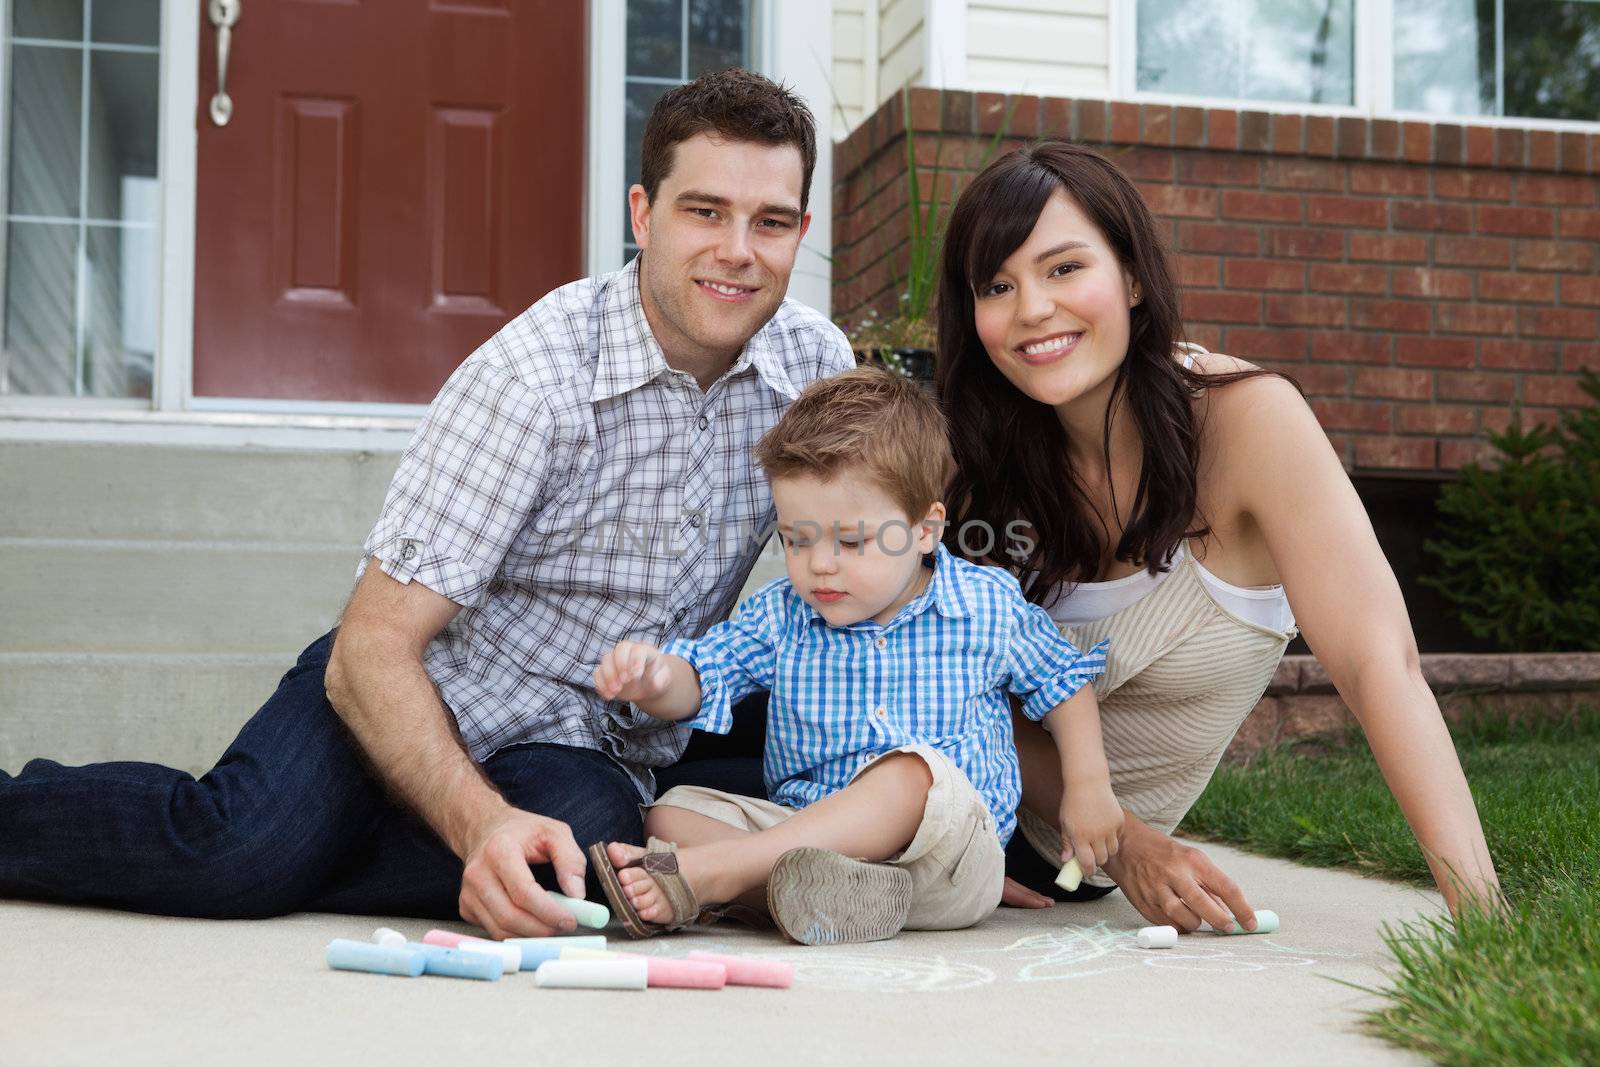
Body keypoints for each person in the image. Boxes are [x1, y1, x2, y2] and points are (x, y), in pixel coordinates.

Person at [0, 70, 854, 940]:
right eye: (704, 212)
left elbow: (876, 573)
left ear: (801, 232)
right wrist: (478, 823)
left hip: (586, 742)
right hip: (422, 685)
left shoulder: (814, 372)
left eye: (771, 221)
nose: (738, 249)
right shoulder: (533, 379)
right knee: (239, 852)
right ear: (643, 215)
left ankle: (336, 846)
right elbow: (370, 651)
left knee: (589, 856)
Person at [931, 140, 1501, 930]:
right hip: (926, 799)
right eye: (998, 285)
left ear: (1132, 276)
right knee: (722, 769)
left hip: (1044, 856)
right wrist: (1129, 844)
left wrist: (1481, 915)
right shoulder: (980, 461)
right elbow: (947, 689)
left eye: (1064, 269)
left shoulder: (1249, 423)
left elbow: (1381, 664)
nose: (1032, 308)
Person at [586, 367, 1113, 945]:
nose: (820, 565)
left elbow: (1064, 682)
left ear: (924, 530)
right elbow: (705, 676)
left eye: (852, 541)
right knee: (670, 812)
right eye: (796, 539)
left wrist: (1088, 788)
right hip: (807, 841)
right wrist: (657, 677)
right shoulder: (780, 615)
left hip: (946, 849)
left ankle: (723, 876)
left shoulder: (983, 605)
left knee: (912, 772)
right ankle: (810, 895)